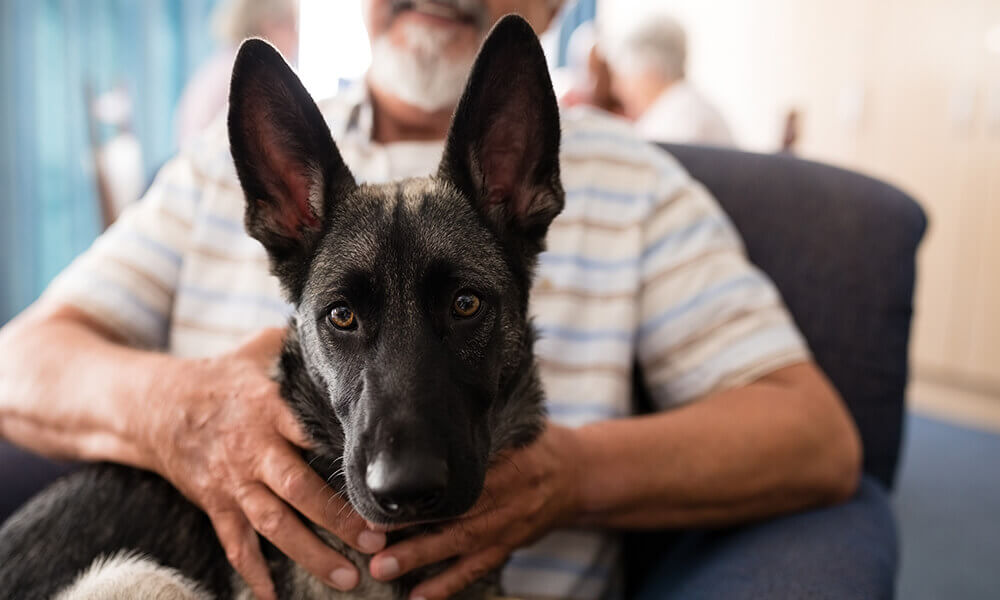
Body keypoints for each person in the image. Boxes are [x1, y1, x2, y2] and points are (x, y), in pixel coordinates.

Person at [0, 2, 884, 600]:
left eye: (465, 305)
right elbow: (18, 364)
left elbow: (818, 439)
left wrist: (569, 476)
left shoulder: (645, 183)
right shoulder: (210, 171)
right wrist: (177, 411)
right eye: (342, 316)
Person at [174, 0, 299, 150]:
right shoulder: (248, 70)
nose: (296, 37)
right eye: (292, 26)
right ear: (269, 25)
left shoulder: (223, 62)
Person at [608, 16, 735, 147]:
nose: (616, 90)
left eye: (624, 77)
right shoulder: (687, 105)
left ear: (650, 72)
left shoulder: (672, 121)